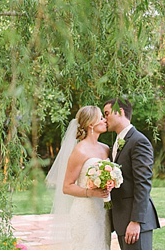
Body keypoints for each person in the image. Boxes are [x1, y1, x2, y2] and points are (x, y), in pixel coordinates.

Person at [45, 106, 112, 249]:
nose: (105, 120)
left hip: (102, 211)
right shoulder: (79, 151)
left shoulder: (106, 148)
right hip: (85, 211)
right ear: (91, 124)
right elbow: (67, 186)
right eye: (101, 118)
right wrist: (91, 192)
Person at [104, 98, 160, 250]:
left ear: (120, 112)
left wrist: (136, 221)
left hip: (134, 221)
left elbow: (143, 184)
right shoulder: (118, 140)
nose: (104, 119)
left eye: (107, 113)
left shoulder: (138, 141)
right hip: (122, 218)